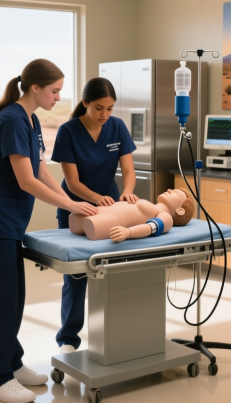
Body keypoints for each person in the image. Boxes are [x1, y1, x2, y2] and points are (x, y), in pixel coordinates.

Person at [0, 59, 98, 403]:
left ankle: (12, 363)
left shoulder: (30, 118)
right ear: (34, 87)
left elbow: (40, 169)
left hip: (9, 222)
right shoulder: (10, 120)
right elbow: (26, 181)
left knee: (15, 299)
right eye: (54, 91)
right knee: (0, 302)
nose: (59, 98)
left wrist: (70, 199)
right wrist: (70, 206)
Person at [50, 77, 137, 354]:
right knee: (76, 280)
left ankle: (115, 334)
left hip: (111, 211)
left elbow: (129, 171)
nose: (105, 115)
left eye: (110, 109)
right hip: (77, 211)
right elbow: (72, 183)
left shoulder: (117, 127)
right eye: (99, 108)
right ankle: (68, 340)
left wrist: (128, 193)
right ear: (85, 103)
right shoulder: (68, 131)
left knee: (114, 276)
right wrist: (96, 199)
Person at [68, 188, 195, 241]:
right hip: (99, 210)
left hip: (111, 220)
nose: (169, 190)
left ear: (180, 211)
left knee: (92, 225)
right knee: (75, 218)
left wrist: (128, 233)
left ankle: (88, 225)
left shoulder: (165, 217)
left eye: (175, 193)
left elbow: (150, 228)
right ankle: (84, 224)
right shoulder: (152, 206)